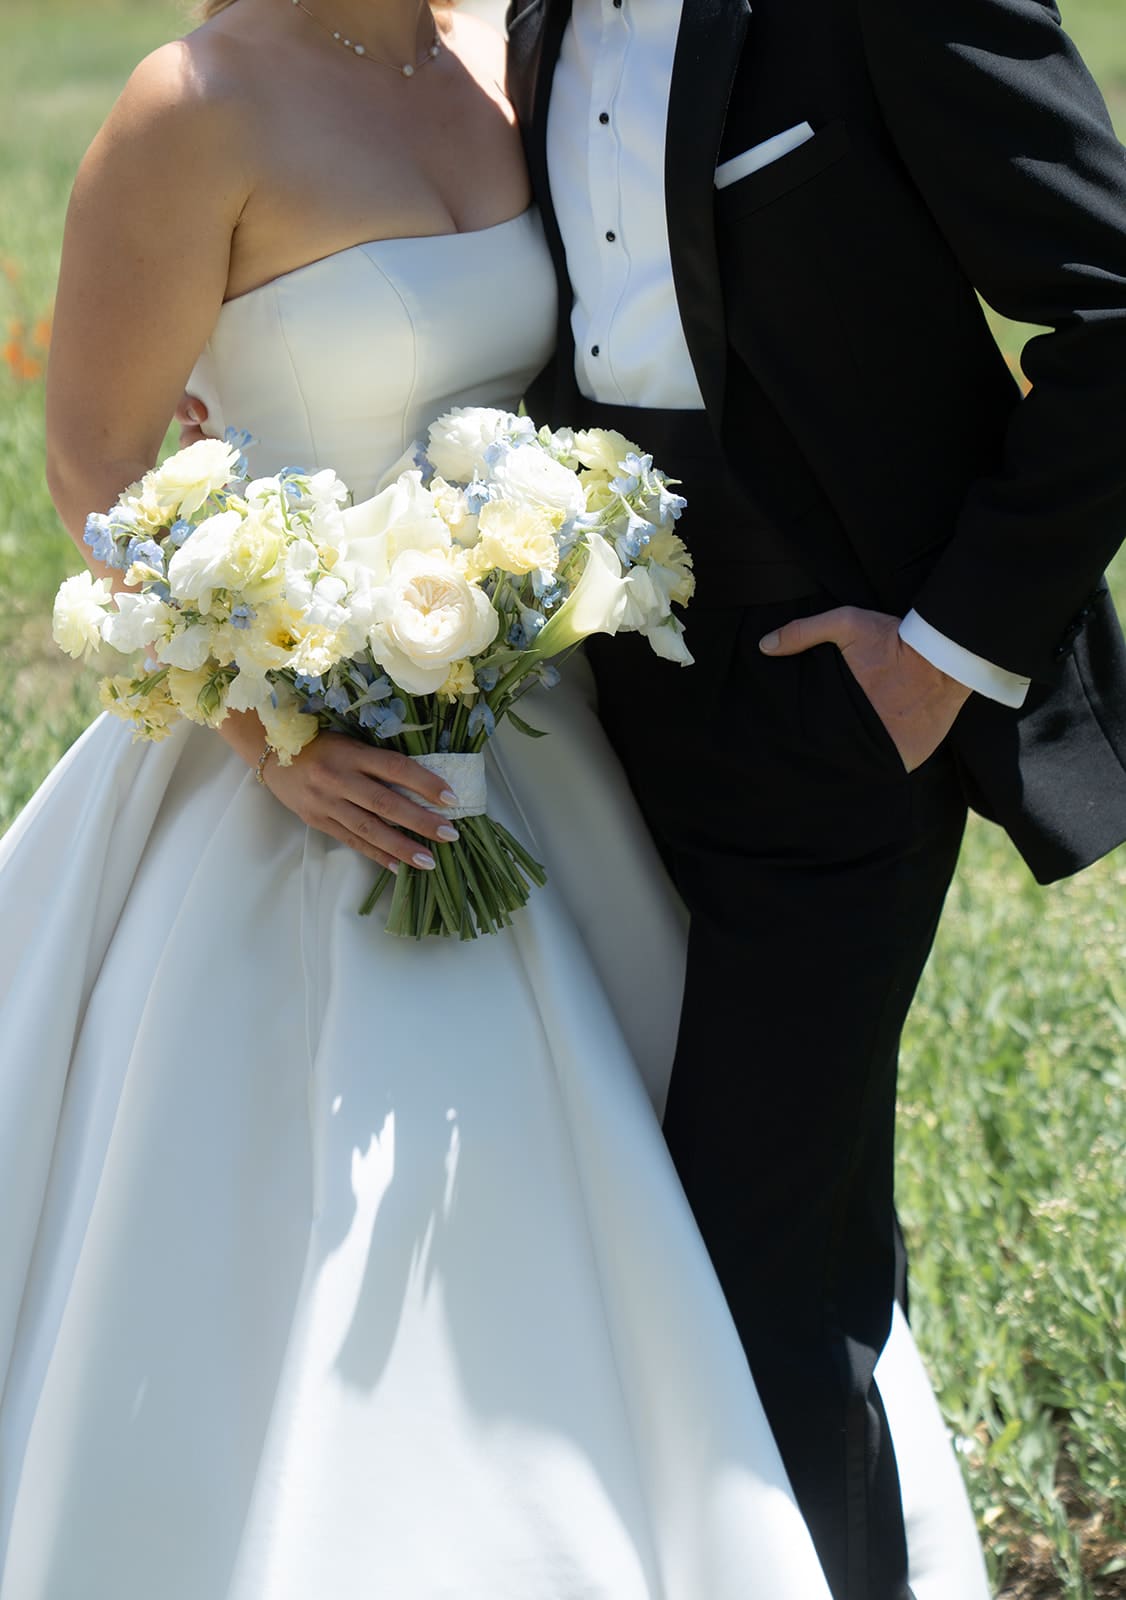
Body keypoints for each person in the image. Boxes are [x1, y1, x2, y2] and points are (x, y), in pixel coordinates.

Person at [0, 2, 989, 1597]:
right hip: (299, 742)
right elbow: (93, 469)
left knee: (714, 1200)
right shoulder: (192, 102)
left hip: (548, 728)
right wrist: (276, 735)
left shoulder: (509, 59)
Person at [493, 1, 1126, 1597]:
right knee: (702, 1218)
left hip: (833, 709)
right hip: (585, 718)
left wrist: (941, 656)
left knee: (752, 1258)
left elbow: (1112, 311)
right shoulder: (532, 11)